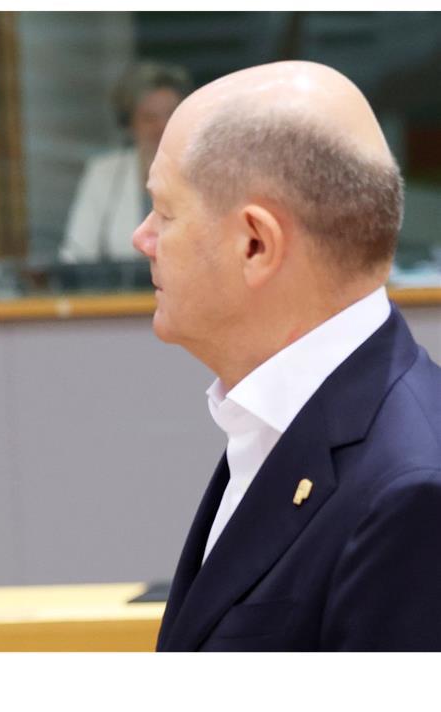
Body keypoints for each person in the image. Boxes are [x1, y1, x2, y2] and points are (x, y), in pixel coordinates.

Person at [131, 60, 441, 650]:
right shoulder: (285, 425)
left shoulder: (414, 494)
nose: (142, 238)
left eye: (165, 212)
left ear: (256, 244)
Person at [59, 61, 192, 264]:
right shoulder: (103, 173)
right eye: (149, 118)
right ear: (129, 124)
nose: (161, 126)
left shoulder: (203, 172)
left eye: (170, 114)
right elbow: (76, 256)